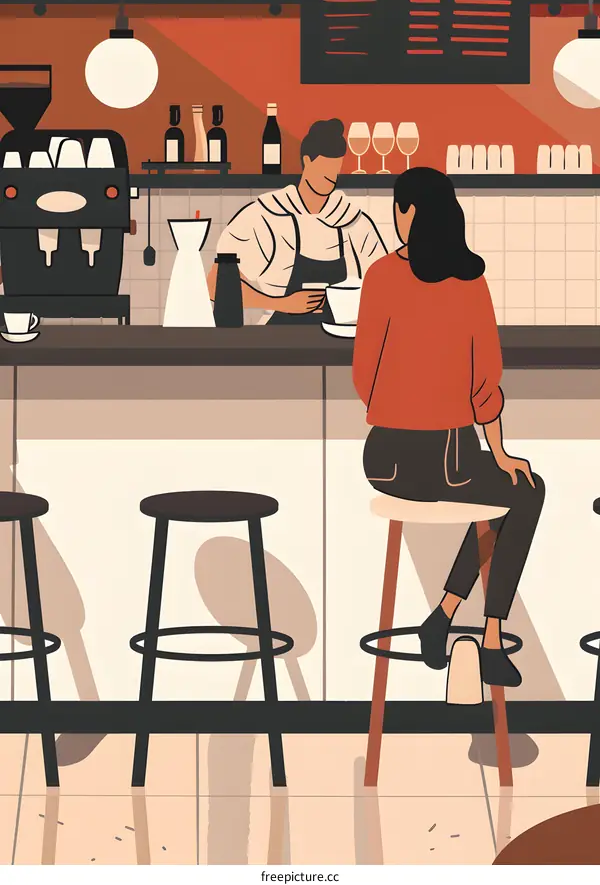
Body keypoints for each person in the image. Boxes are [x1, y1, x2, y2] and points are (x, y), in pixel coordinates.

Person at [352, 167, 545, 688]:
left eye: (398, 209)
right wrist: (499, 453)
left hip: (382, 462)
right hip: (449, 464)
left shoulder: (380, 275)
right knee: (524, 491)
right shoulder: (470, 281)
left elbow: (362, 375)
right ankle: (487, 636)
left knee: (503, 496)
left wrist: (399, 406)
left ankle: (441, 618)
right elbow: (486, 386)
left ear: (410, 212)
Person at [209, 118, 386, 324]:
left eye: (336, 168)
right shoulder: (266, 216)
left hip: (340, 335)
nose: (331, 176)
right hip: (278, 338)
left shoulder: (354, 223)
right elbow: (214, 285)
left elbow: (385, 287)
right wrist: (282, 303)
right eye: (324, 167)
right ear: (307, 160)